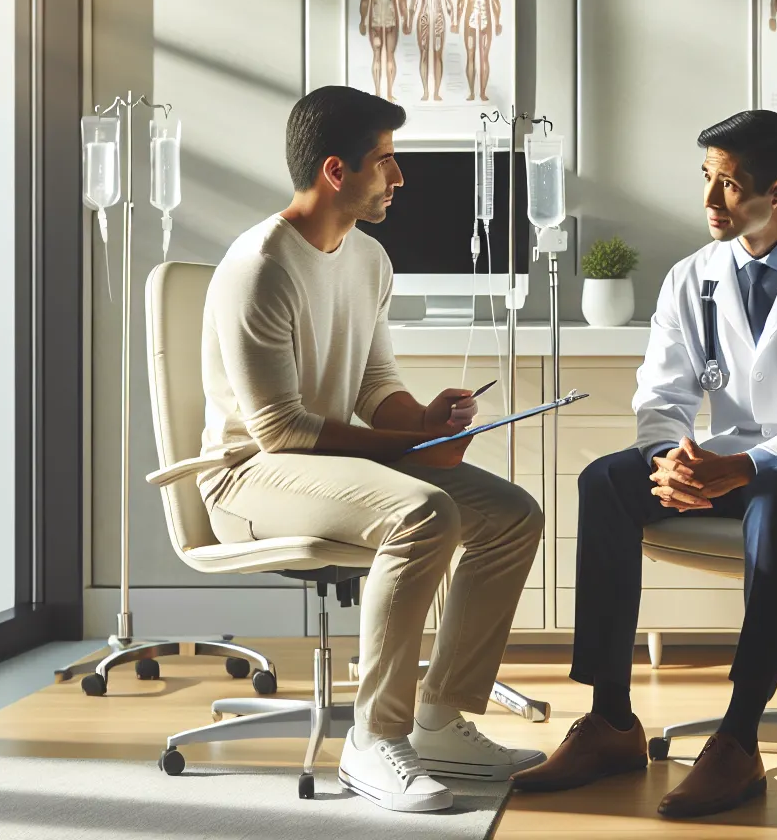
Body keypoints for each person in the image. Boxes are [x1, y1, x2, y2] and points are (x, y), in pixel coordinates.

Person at [511, 110, 777, 818]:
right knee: (606, 480)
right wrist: (669, 459)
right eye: (706, 181)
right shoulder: (693, 278)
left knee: (776, 501)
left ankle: (739, 737)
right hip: (721, 464)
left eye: (729, 185)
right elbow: (661, 395)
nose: (710, 203)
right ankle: (610, 720)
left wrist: (746, 468)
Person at [199, 85, 544, 813]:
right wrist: (409, 446)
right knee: (424, 510)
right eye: (385, 162)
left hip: (332, 468)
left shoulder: (368, 259)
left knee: (512, 514)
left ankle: (440, 719)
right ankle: (373, 740)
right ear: (336, 171)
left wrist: (425, 420)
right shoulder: (259, 266)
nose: (399, 177)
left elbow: (373, 383)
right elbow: (280, 430)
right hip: (248, 480)